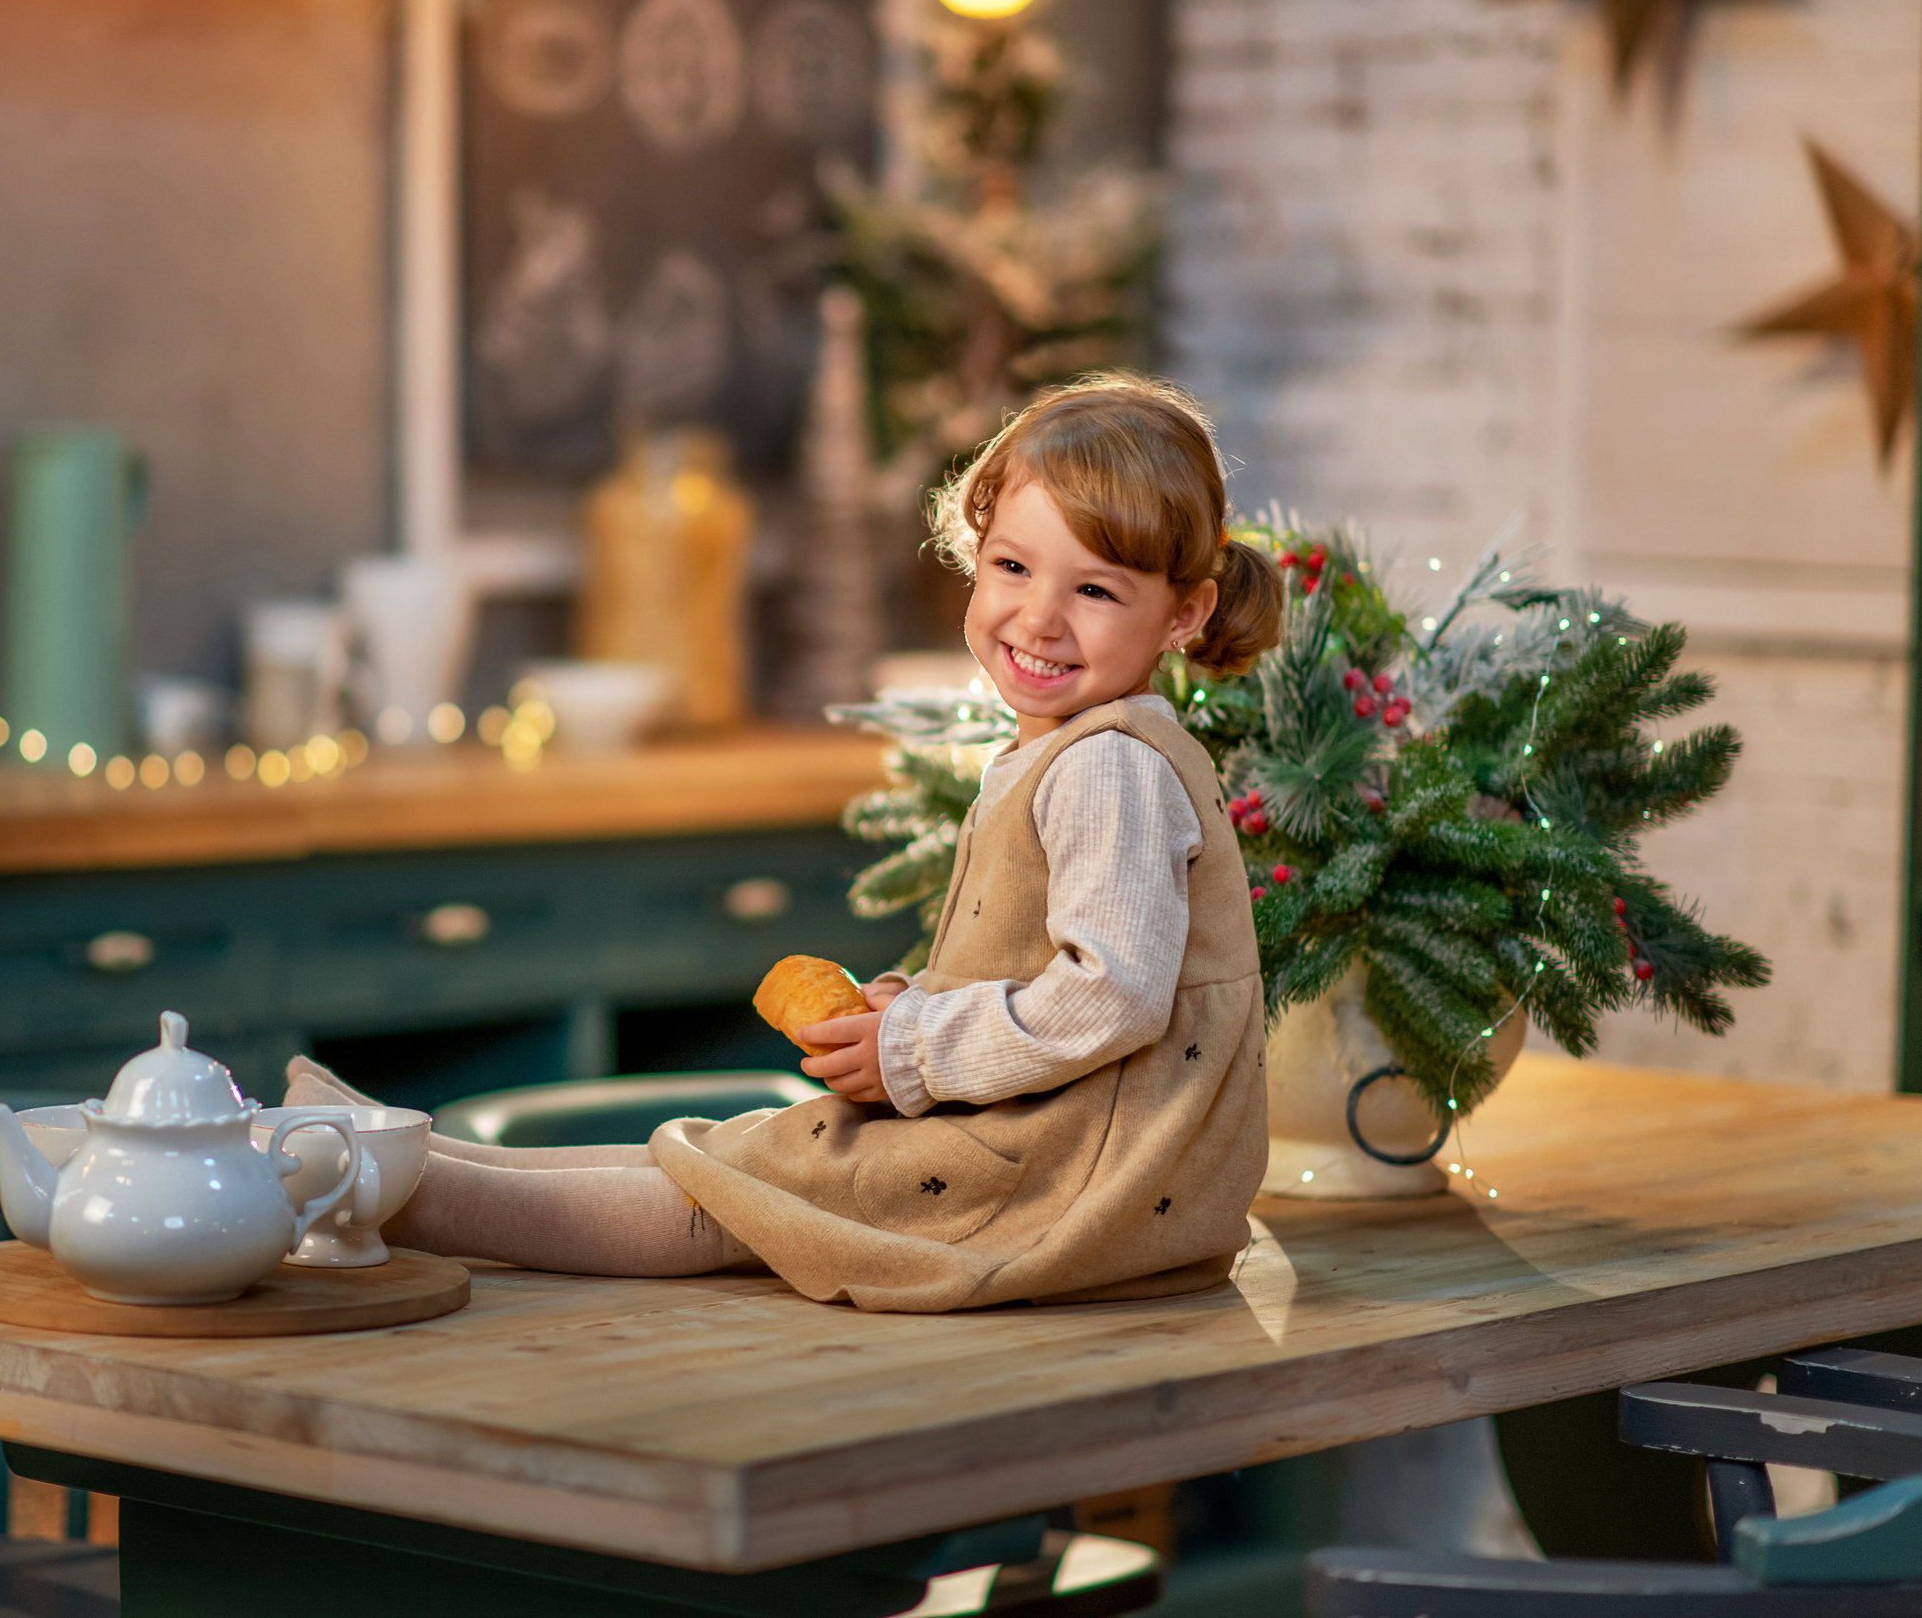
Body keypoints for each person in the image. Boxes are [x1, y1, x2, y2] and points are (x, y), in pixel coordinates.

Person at [284, 373, 1283, 1311]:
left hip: (1084, 1177)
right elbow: (1039, 968)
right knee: (741, 1156)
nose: (1038, 617)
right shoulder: (1073, 751)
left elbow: (1113, 993)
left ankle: (408, 1195)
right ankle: (394, 1154)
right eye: (1012, 567)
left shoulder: (1111, 766)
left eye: (1095, 591)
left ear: (1182, 613)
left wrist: (917, 1047)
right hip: (1046, 1133)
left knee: (740, 1200)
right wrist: (917, 1005)